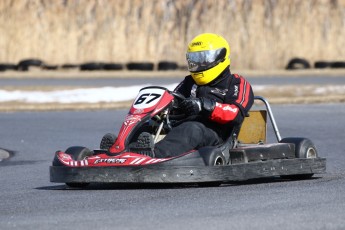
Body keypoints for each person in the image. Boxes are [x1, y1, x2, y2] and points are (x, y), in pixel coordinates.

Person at [128, 33, 254, 158]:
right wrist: (161, 112)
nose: (199, 64)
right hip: (182, 128)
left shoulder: (236, 83)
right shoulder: (189, 82)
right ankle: (123, 152)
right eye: (196, 59)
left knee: (191, 129)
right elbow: (173, 100)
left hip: (217, 134)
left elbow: (236, 113)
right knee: (146, 126)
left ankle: (155, 156)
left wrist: (204, 106)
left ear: (220, 57)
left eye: (204, 58)